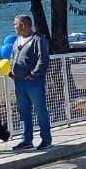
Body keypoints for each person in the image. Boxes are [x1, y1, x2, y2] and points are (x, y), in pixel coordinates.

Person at [8, 15, 51, 150]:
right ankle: (26, 139)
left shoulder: (38, 39)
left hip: (33, 81)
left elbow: (43, 59)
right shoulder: (17, 40)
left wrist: (34, 74)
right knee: (23, 111)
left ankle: (46, 138)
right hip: (19, 81)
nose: (13, 26)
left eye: (15, 24)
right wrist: (11, 71)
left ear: (23, 24)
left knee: (40, 110)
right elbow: (13, 57)